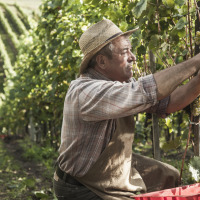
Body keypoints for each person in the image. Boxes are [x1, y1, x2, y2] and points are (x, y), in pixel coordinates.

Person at [53, 19, 200, 200]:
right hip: (79, 185)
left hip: (106, 169)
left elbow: (169, 102)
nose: (133, 56)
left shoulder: (119, 84)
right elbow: (146, 90)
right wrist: (196, 61)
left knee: (168, 175)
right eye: (125, 52)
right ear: (102, 61)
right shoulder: (85, 91)